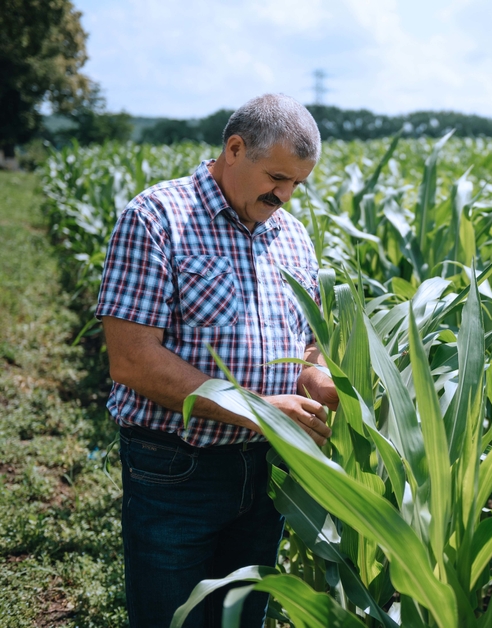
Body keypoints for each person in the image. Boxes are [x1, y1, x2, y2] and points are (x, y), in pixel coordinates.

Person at [96, 93, 337, 627]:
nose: (286, 196)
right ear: (234, 149)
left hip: (266, 472)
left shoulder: (292, 237)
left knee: (240, 619)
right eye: (277, 177)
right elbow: (132, 361)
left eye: (297, 184)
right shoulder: (157, 218)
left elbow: (306, 341)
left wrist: (315, 376)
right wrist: (259, 410)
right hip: (176, 471)